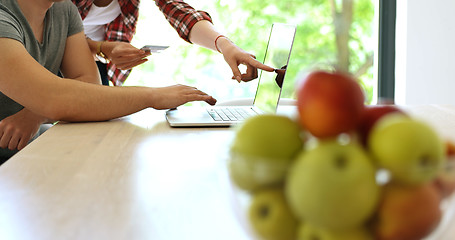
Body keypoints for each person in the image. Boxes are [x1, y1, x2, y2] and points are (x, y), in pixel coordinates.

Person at [0, 0, 272, 163]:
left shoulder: (63, 11)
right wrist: (153, 96)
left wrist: (224, 45)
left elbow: (88, 85)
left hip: (29, 141)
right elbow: (55, 96)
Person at [71, 0, 272, 86]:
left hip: (98, 62)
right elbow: (55, 31)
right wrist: (102, 48)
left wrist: (226, 46)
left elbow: (183, 16)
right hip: (57, 53)